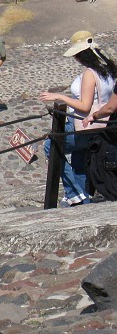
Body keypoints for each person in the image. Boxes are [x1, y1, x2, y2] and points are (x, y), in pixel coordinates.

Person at [40, 31, 117, 206]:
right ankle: (84, 200)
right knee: (79, 163)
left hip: (86, 126)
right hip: (103, 127)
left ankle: (74, 193)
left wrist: (59, 97)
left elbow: (85, 106)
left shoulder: (90, 73)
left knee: (51, 145)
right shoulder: (107, 68)